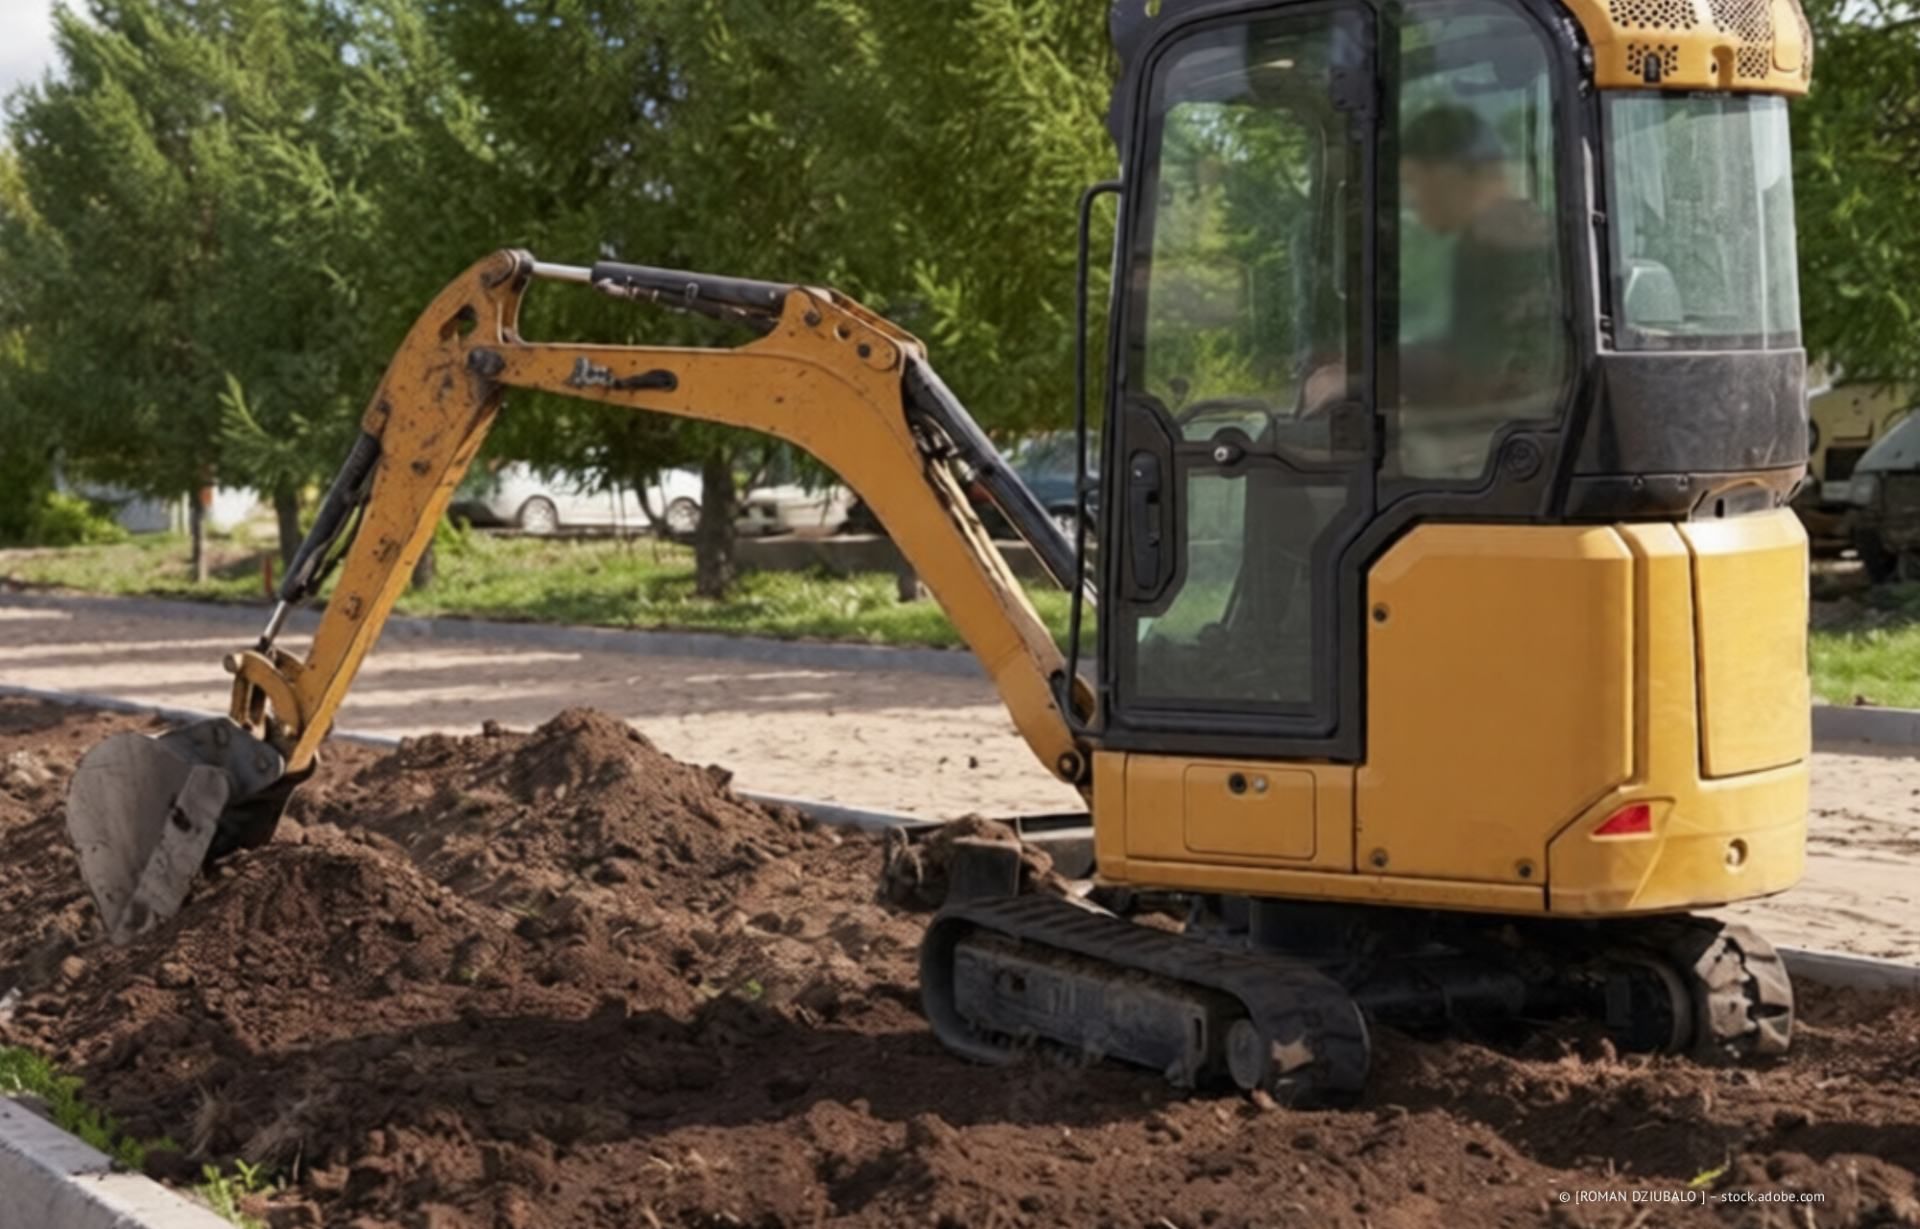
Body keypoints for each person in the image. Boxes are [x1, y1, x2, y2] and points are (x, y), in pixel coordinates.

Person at [1396, 103, 1558, 411]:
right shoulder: (1535, 225)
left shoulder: (1487, 240)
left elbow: (1475, 380)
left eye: (1411, 180)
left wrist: (1364, 378)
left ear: (1447, 173)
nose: (1411, 201)